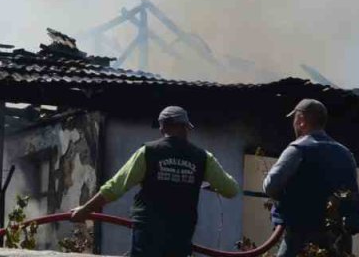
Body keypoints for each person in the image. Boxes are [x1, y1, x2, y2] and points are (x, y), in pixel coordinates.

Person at [71, 106, 240, 257]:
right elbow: (231, 190)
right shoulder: (203, 158)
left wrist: (85, 210)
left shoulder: (148, 152)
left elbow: (114, 188)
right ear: (186, 127)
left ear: (163, 127)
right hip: (180, 235)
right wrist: (205, 179)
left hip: (148, 234)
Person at [263, 99, 359, 257]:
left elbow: (270, 186)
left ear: (302, 120)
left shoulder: (297, 149)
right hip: (338, 240)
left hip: (300, 238)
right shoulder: (346, 154)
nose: (294, 124)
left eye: (295, 119)